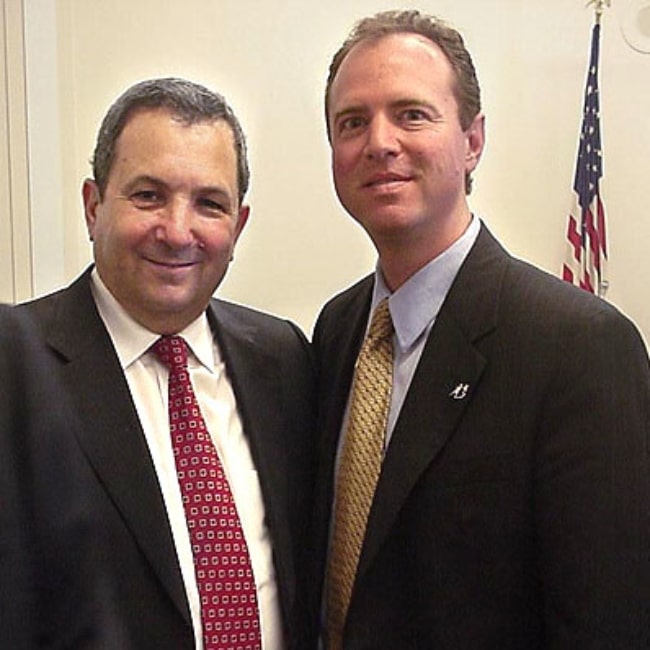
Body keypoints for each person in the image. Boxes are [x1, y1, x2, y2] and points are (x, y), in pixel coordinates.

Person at [312, 10, 650, 649]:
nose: (379, 142)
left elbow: (609, 622)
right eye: (352, 122)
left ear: (472, 140)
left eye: (411, 114)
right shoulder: (337, 331)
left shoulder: (578, 347)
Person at [5, 78, 316, 649]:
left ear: (238, 226)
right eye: (148, 195)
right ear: (94, 206)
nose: (177, 231)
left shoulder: (283, 360)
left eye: (209, 204)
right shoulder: (13, 370)